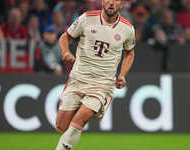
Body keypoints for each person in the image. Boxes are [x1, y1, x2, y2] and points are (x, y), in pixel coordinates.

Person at [55, 0, 135, 150]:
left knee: (81, 118)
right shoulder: (86, 18)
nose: (111, 3)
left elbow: (130, 53)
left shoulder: (127, 29)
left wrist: (123, 75)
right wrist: (66, 52)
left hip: (103, 84)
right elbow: (65, 37)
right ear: (103, 2)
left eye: (116, 0)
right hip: (78, 78)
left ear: (121, 4)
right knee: (61, 126)